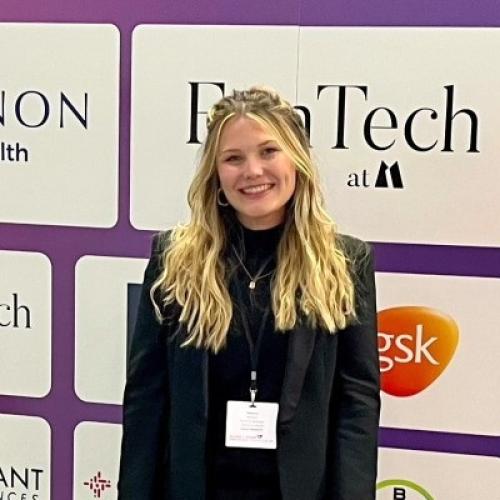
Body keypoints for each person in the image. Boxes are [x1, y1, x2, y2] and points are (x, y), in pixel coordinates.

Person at [118, 86, 380, 500]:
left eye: (269, 151)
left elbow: (356, 402)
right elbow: (146, 398)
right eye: (233, 158)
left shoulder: (344, 262)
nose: (253, 171)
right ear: (215, 172)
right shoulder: (174, 260)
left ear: (296, 159)